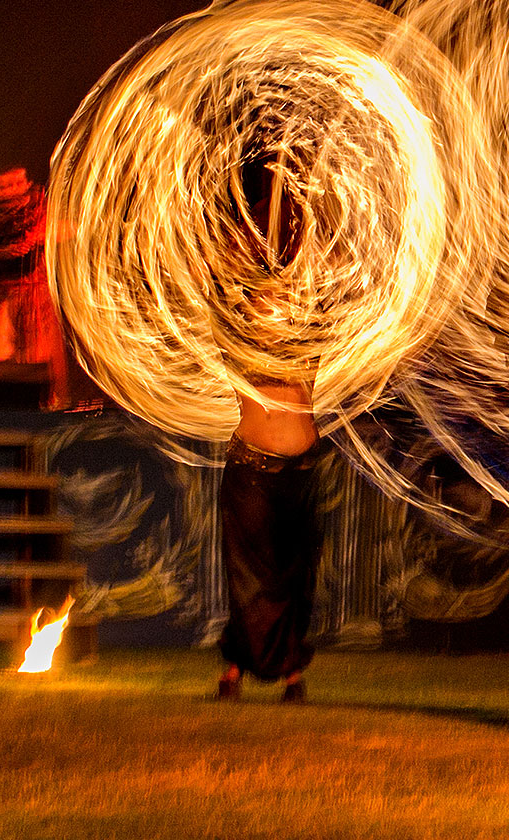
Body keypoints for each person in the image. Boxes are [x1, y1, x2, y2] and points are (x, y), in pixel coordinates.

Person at [215, 158, 322, 704]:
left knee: (293, 576)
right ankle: (264, 672)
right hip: (253, 469)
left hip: (302, 468)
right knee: (251, 578)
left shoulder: (308, 315)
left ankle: (260, 670)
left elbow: (317, 251)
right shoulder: (240, 320)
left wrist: (296, 175)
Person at [0, 167, 68, 407]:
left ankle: (44, 403)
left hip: (33, 299)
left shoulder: (39, 211)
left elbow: (61, 231)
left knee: (37, 359)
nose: (3, 193)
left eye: (10, 186)